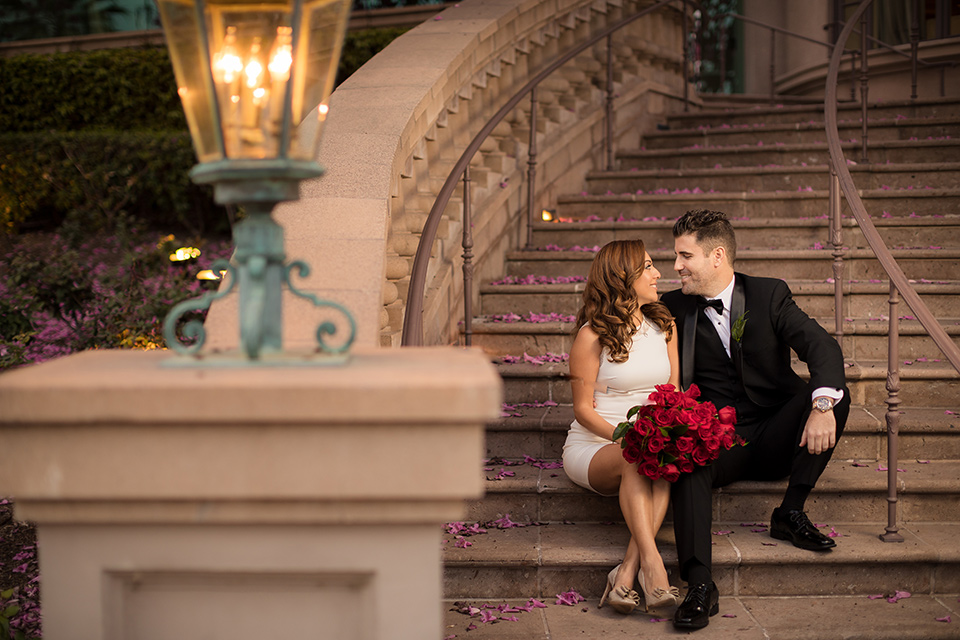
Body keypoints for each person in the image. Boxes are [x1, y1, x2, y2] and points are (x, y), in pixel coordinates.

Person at [660, 209, 849, 630]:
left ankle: (790, 513)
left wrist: (820, 408)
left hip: (776, 430)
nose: (675, 267)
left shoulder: (768, 295)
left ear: (717, 255)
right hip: (719, 438)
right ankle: (699, 584)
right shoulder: (670, 307)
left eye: (684, 256)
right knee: (688, 459)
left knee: (836, 396)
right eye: (676, 256)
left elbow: (822, 347)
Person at [562, 239, 681, 615]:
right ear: (622, 277)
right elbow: (582, 410)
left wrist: (674, 430)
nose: (658, 273)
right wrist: (625, 435)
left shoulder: (665, 325)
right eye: (647, 267)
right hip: (597, 442)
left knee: (662, 460)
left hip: (649, 440)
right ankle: (653, 565)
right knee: (637, 456)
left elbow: (673, 390)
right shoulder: (591, 335)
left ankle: (626, 572)